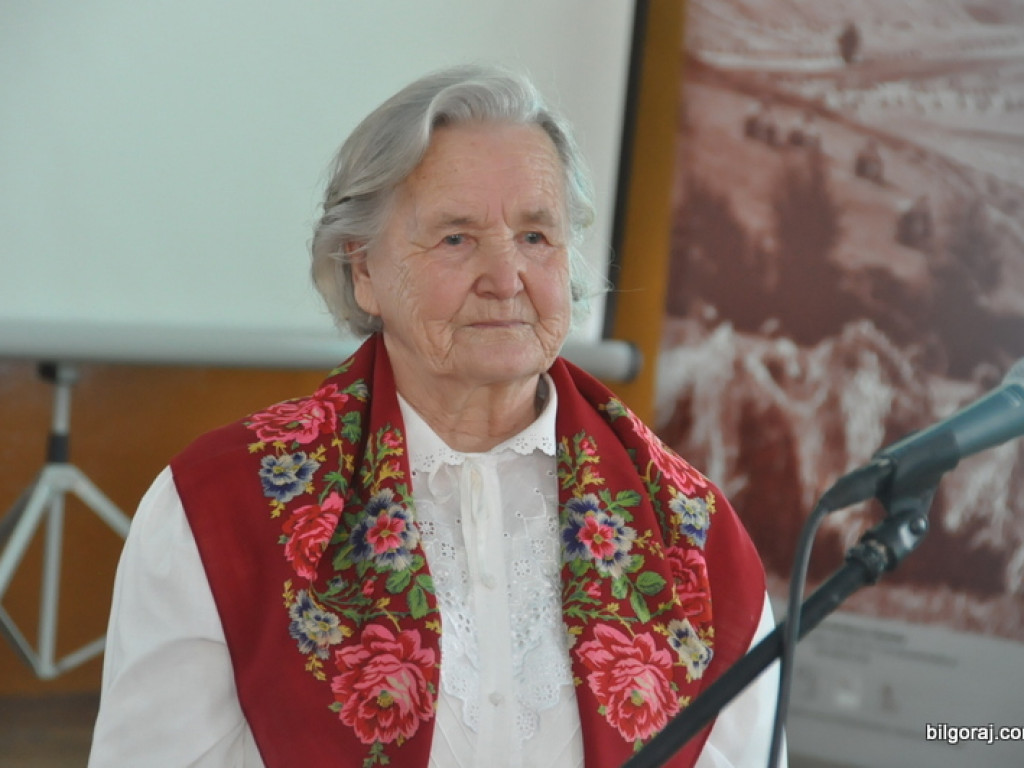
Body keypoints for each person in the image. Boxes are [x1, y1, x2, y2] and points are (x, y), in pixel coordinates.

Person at [89, 64, 784, 767]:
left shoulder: (692, 532)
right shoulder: (219, 509)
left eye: (536, 236)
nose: (506, 279)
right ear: (362, 268)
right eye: (456, 238)